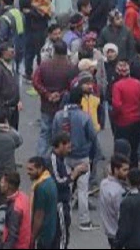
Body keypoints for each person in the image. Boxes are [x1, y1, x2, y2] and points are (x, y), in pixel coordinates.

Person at [52, 87, 100, 231]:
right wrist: (96, 154)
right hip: (82, 156)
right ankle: (84, 221)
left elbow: (53, 135)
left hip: (65, 157)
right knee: (82, 189)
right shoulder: (84, 117)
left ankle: (63, 216)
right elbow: (92, 136)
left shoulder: (58, 115)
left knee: (65, 186)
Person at [115, 168, 140, 250]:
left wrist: (117, 244)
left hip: (131, 243)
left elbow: (124, 227)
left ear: (128, 180)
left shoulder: (126, 202)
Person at [28, 156, 61, 249]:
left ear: (40, 168)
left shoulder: (41, 188)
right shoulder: (49, 181)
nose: (28, 172)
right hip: (51, 231)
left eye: (31, 169)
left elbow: (39, 215)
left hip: (43, 234)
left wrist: (32, 237)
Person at [98, 154, 130, 247]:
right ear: (116, 170)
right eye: (124, 170)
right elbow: (122, 215)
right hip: (119, 232)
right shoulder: (119, 192)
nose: (128, 173)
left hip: (109, 229)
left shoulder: (104, 183)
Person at [0, 170, 32, 249]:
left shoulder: (15, 209)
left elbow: (12, 236)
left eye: (2, 183)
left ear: (8, 186)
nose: (0, 185)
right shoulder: (23, 196)